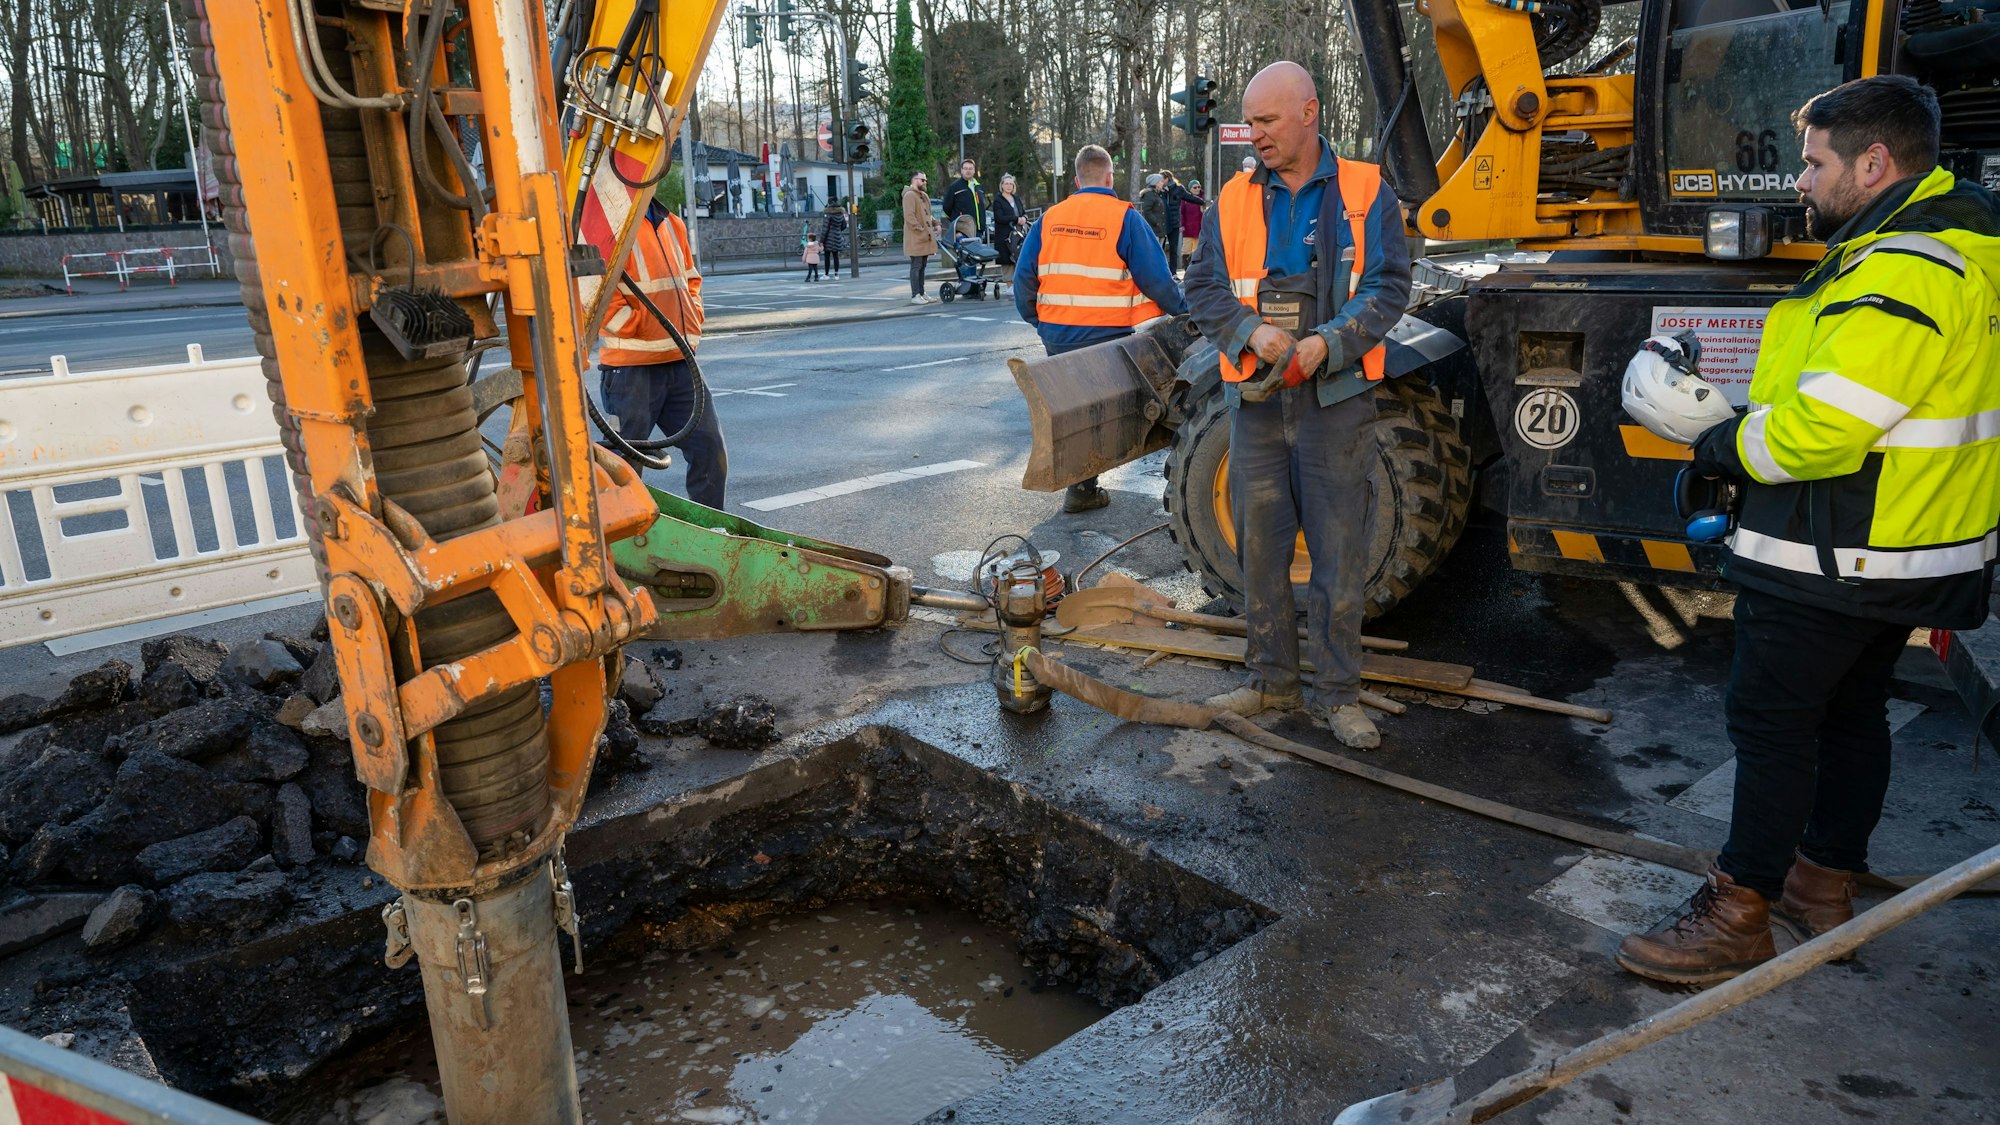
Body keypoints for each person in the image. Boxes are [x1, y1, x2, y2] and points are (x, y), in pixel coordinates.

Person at [1614, 75, 2000, 986]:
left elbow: (1829, 426)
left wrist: (1716, 436)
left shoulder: (1905, 266)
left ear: (1875, 162)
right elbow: (1864, 400)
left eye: (1816, 161)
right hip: (1907, 540)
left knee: (1773, 720)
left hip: (1840, 548)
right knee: (1851, 713)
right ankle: (1820, 883)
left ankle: (1740, 907)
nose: (1801, 179)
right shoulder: (1950, 250)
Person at [1182, 60, 1411, 750]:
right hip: (1253, 404)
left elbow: (1388, 288)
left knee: (1339, 554)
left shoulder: (1368, 193)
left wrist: (1328, 345)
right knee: (1261, 550)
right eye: (1249, 122)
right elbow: (1204, 289)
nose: (1253, 134)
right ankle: (1271, 680)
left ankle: (1338, 693)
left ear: (1310, 114)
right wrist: (1252, 331)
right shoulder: (1232, 199)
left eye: (1266, 121)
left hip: (1333, 403)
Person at [1014, 144, 1189, 513]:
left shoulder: (1050, 219)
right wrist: (1186, 312)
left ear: (1077, 180)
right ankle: (1183, 474)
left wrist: (1042, 322)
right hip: (1107, 337)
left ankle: (1081, 488)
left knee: (1074, 405)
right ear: (1109, 177)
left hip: (1058, 335)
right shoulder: (1124, 217)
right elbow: (1158, 282)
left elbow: (1023, 285)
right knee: (1134, 403)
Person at [598, 199, 726, 509]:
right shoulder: (609, 224)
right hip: (631, 371)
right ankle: (619, 538)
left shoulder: (672, 222)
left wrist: (692, 320)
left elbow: (690, 279)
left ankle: (711, 527)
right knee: (624, 465)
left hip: (681, 364)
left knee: (710, 449)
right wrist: (641, 324)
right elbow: (593, 289)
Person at [903, 171, 940, 304]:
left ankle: (922, 292)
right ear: (914, 180)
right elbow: (910, 217)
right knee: (916, 265)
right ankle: (915, 295)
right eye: (922, 180)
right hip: (916, 237)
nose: (925, 182)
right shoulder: (909, 195)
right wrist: (922, 230)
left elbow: (928, 214)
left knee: (922, 265)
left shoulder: (923, 195)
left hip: (925, 237)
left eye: (925, 180)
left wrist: (936, 224)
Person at [943, 158, 988, 240]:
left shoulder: (979, 187)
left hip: (979, 231)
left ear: (974, 170)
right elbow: (946, 208)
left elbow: (982, 207)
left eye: (971, 168)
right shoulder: (955, 187)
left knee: (977, 253)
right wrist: (957, 224)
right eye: (966, 168)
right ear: (961, 170)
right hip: (963, 231)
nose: (968, 171)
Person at [993, 173, 1027, 268]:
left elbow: (1023, 213)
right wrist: (1016, 219)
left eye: (1011, 184)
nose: (1008, 186)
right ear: (1002, 185)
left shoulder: (1016, 199)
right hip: (1004, 237)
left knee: (1018, 262)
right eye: (1006, 183)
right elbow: (999, 217)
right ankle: (1009, 283)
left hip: (1018, 235)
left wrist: (1024, 218)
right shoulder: (998, 200)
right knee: (1007, 265)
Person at [1137, 173, 1169, 259]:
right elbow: (1147, 211)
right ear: (1156, 183)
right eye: (1161, 182)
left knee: (1158, 254)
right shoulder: (1149, 194)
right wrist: (1157, 222)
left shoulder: (1157, 194)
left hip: (1159, 230)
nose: (1162, 183)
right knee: (1153, 255)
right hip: (1153, 229)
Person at [1177, 177, 1206, 267]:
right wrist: (1182, 225)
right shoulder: (1185, 199)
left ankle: (1196, 268)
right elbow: (1181, 213)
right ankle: (1187, 267)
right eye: (1195, 187)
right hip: (1188, 228)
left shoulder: (1204, 199)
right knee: (1186, 249)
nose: (1197, 189)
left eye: (1198, 187)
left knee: (1198, 249)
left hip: (1200, 228)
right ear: (1190, 189)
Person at [820, 201, 850, 278]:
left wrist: (821, 240)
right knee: (835, 256)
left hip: (828, 239)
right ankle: (836, 274)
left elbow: (825, 229)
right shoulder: (841, 215)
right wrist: (838, 231)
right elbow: (844, 226)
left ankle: (826, 274)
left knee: (827, 256)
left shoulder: (828, 215)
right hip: (837, 237)